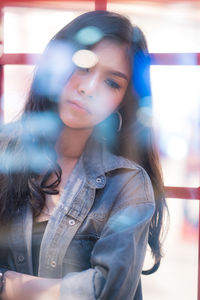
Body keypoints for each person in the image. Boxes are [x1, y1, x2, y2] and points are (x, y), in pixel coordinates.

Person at [0, 10, 168, 300]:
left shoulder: (127, 183)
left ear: (122, 101)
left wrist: (8, 285)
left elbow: (107, 291)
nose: (89, 88)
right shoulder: (6, 151)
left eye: (112, 82)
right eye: (83, 65)